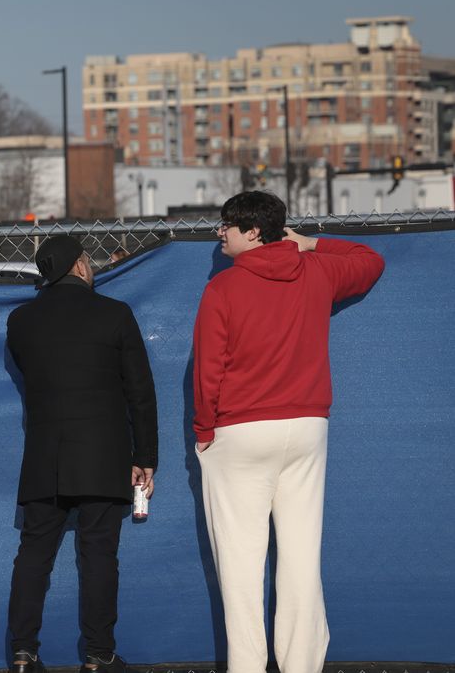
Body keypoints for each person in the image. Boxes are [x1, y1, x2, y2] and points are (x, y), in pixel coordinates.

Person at [192, 191, 384, 673]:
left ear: (253, 231)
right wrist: (310, 244)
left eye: (227, 226)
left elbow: (208, 370)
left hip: (239, 431)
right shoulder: (316, 271)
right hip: (306, 426)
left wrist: (203, 431)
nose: (220, 233)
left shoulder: (223, 288)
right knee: (301, 559)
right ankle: (302, 665)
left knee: (240, 565)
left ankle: (248, 667)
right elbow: (370, 260)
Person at [4, 235, 158, 673]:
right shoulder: (115, 314)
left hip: (44, 457)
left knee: (33, 553)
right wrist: (145, 455)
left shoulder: (21, 321)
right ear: (78, 266)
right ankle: (98, 655)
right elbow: (139, 393)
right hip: (104, 455)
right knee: (98, 555)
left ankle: (22, 653)